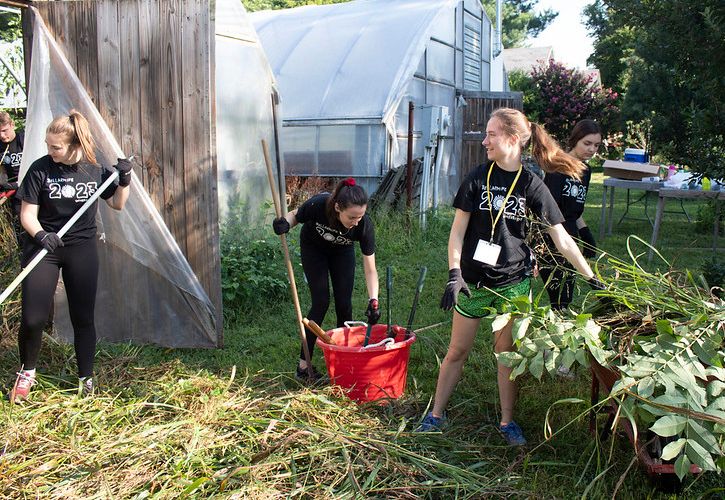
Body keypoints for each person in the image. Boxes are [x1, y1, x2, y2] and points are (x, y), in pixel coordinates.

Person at [418, 108, 604, 446]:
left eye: (491, 134)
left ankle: (507, 421)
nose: (484, 140)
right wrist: (454, 273)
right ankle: (435, 414)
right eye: (486, 134)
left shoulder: (532, 184)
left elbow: (561, 238)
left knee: (507, 355)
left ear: (512, 139)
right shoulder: (478, 177)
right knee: (457, 351)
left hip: (514, 284)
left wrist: (590, 276)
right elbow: (457, 232)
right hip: (473, 283)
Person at [9, 110, 132, 403]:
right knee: (32, 317)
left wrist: (124, 181)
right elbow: (27, 214)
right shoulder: (40, 169)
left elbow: (116, 204)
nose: (49, 151)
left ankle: (85, 378)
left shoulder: (94, 170)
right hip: (44, 248)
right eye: (48, 145)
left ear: (75, 145)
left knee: (83, 317)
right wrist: (41, 235)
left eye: (56, 147)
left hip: (81, 248)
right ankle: (27, 373)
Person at [272, 178, 380, 382]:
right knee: (320, 302)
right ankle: (304, 366)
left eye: (360, 216)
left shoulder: (364, 225)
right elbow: (295, 216)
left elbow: (370, 269)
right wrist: (284, 223)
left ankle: (342, 361)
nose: (356, 222)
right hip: (314, 249)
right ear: (338, 207)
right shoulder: (319, 204)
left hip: (342, 252)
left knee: (344, 305)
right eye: (352, 217)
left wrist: (373, 300)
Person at [539, 119, 602, 310]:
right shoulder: (557, 166)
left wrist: (585, 234)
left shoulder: (586, 170)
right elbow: (549, 210)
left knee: (568, 288)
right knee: (557, 290)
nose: (592, 149)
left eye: (596, 145)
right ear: (575, 140)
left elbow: (576, 208)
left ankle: (561, 322)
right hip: (553, 236)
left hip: (571, 234)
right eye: (587, 143)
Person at [0, 111, 25, 245]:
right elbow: (2, 171)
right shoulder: (0, 146)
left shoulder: (24, 139)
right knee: (17, 218)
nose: (2, 136)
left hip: (29, 184)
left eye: (5, 131)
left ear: (12, 125)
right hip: (12, 190)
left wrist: (19, 184)